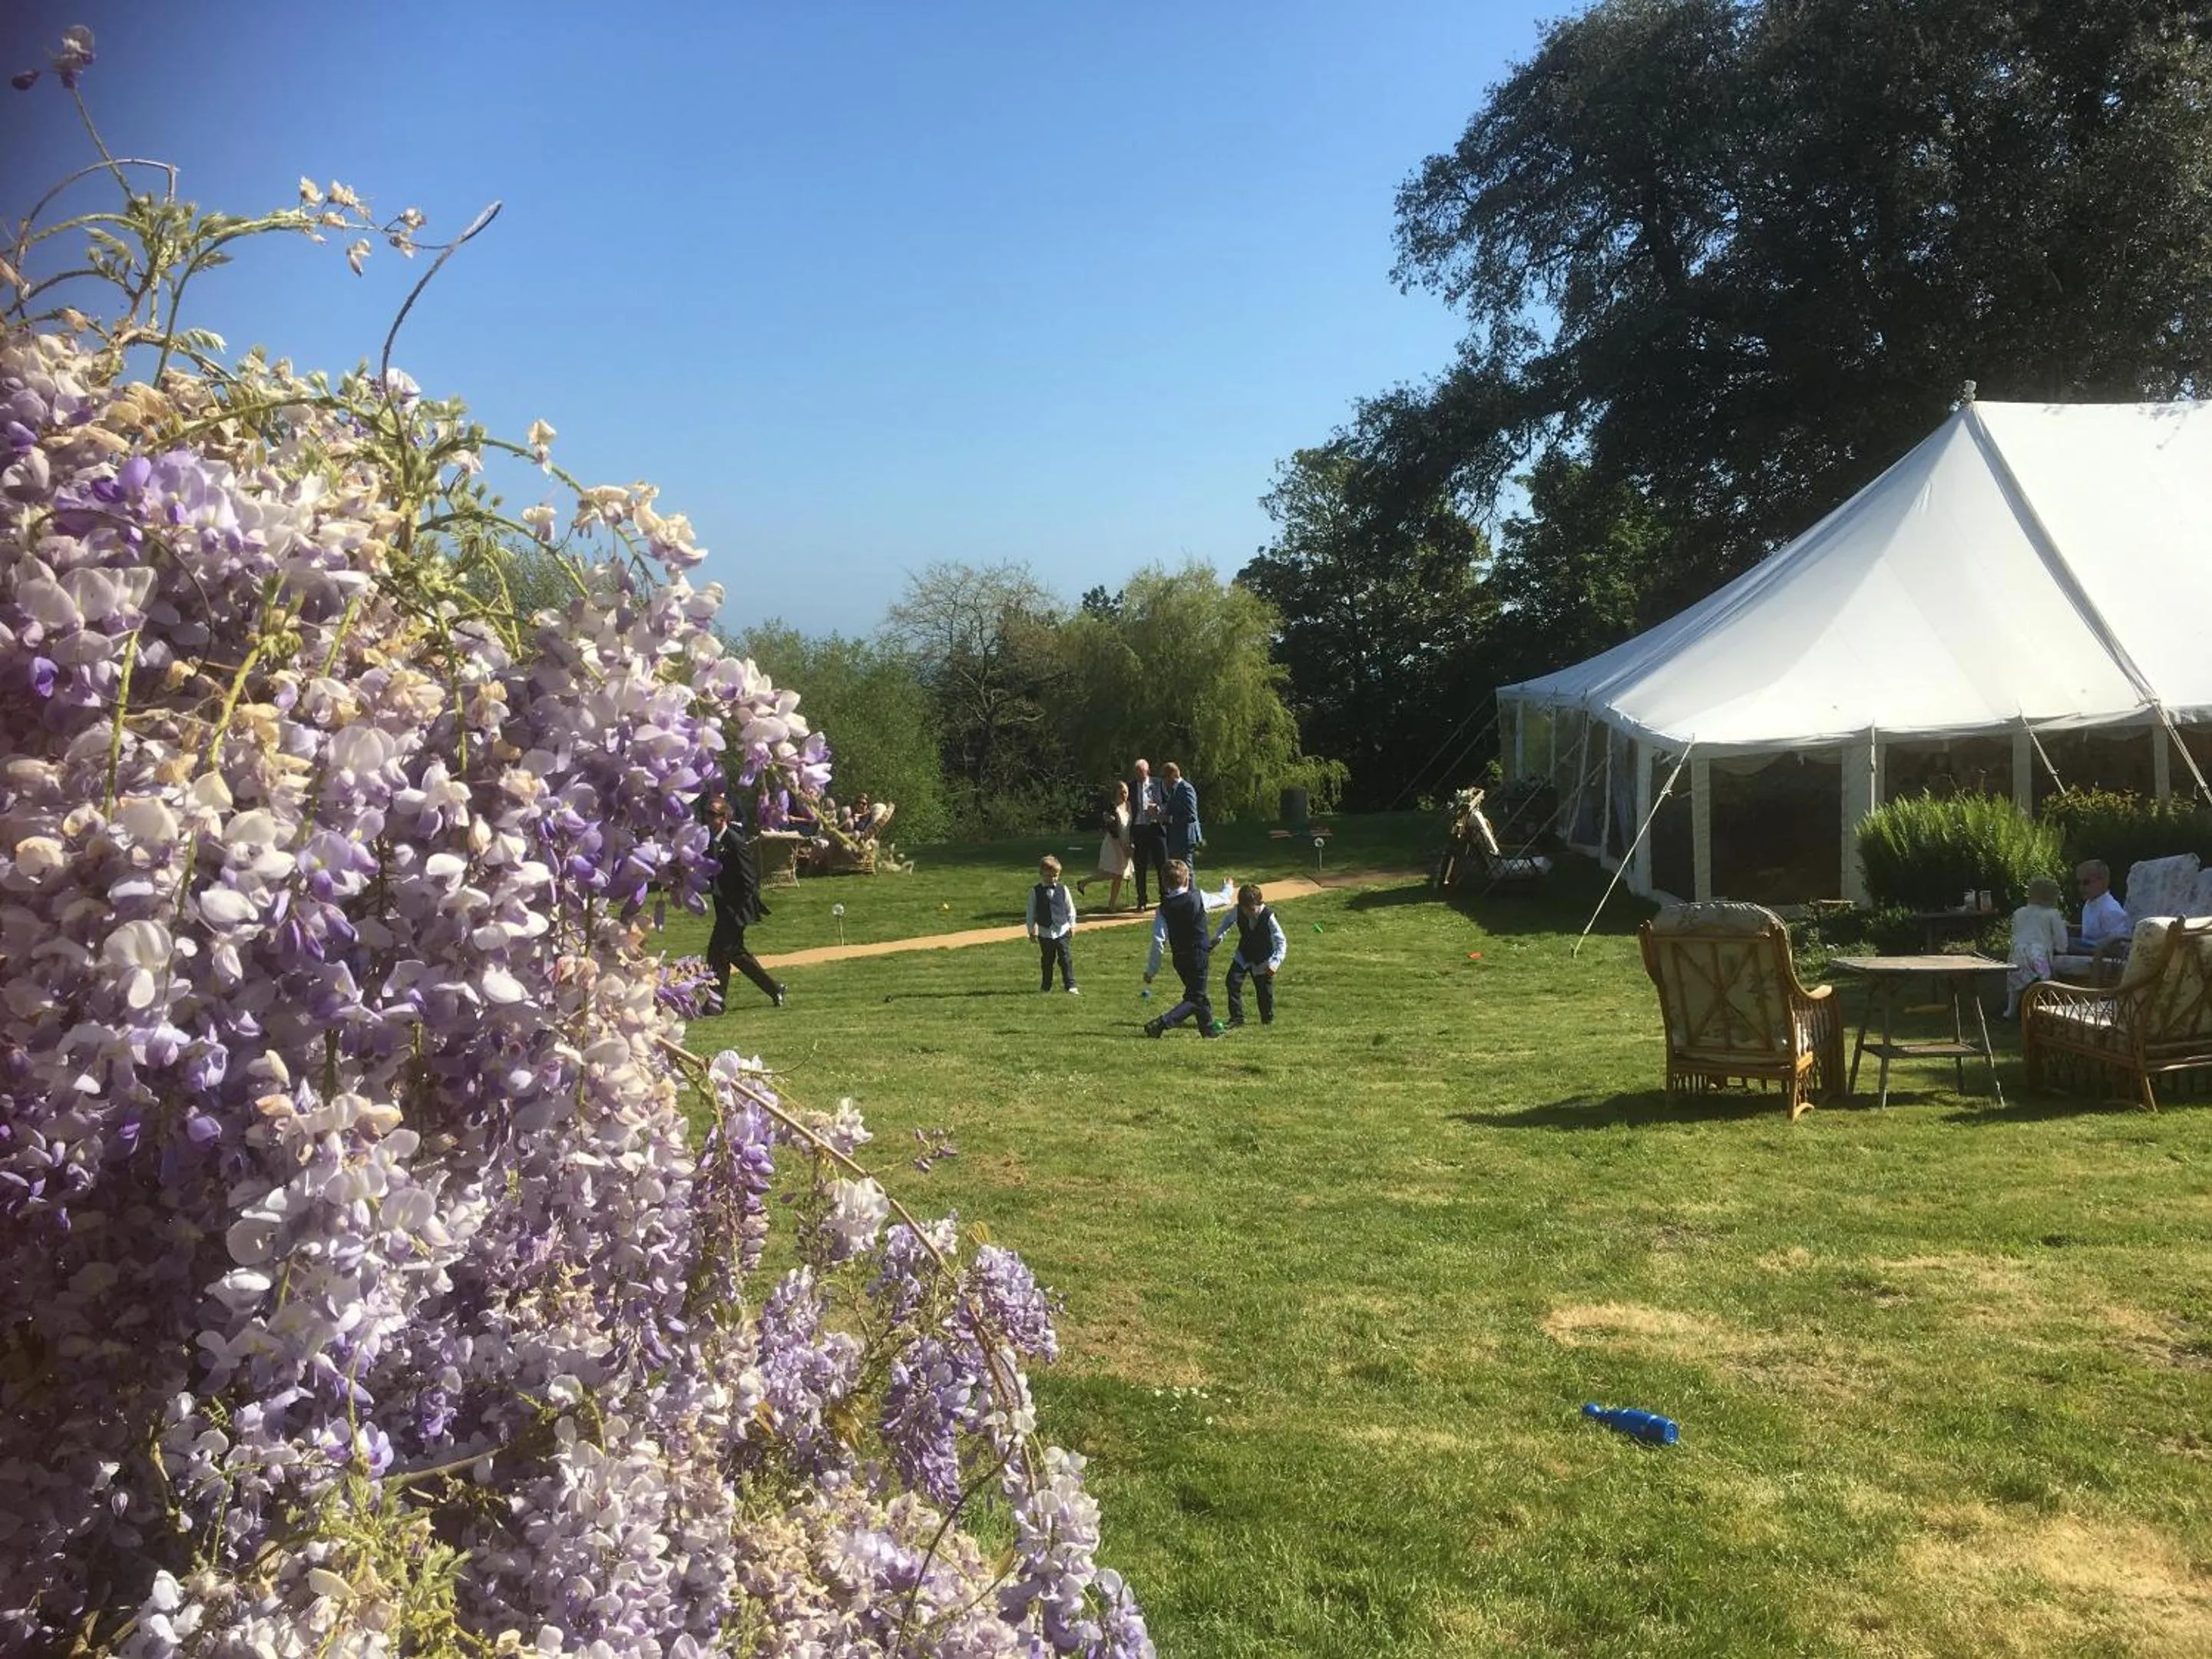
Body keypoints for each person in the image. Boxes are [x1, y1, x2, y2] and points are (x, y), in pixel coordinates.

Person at [705, 794, 785, 1011]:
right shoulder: (713, 841)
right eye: (706, 813)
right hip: (725, 908)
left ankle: (715, 1004)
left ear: (723, 818)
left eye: (712, 814)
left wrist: (738, 910)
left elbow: (750, 879)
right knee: (732, 953)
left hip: (736, 909)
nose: (707, 818)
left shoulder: (734, 841)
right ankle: (775, 988)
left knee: (719, 953)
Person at [1142, 859, 1218, 1037]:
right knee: (1195, 998)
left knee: (1198, 993)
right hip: (1198, 955)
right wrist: (1228, 889)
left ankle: (1208, 1030)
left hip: (1180, 958)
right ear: (1187, 880)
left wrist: (1152, 970)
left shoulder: (1163, 909)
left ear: (1164, 883)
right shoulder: (1198, 897)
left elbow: (1158, 941)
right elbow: (1222, 899)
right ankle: (1161, 1024)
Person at [1210, 882, 1287, 1028]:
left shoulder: (1268, 916)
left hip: (1263, 958)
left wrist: (1275, 963)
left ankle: (1267, 1019)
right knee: (1232, 982)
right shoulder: (1238, 911)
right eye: (1244, 909)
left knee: (1263, 990)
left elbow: (1281, 941)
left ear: (1259, 903)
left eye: (1251, 909)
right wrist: (1219, 937)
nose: (1247, 913)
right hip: (1243, 954)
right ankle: (1236, 1017)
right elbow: (1226, 922)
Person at [2004, 875, 2069, 1018]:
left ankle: (2011, 1009)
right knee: (2047, 981)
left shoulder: (2019, 913)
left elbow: (2015, 934)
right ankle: (2050, 1007)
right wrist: (2061, 949)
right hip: (2038, 955)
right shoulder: (2052, 914)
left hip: (2018, 953)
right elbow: (2061, 940)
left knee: (2014, 983)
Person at [1026, 854, 1080, 994]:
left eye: (1056, 876)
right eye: (1049, 876)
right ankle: (1046, 986)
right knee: (1047, 961)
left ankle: (1070, 985)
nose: (1053, 879)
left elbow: (1070, 909)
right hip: (1045, 932)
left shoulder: (1063, 889)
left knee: (1065, 959)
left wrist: (1072, 925)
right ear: (1041, 874)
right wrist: (1031, 930)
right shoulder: (1035, 892)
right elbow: (1031, 912)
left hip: (1062, 930)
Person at [1076, 780, 1134, 910]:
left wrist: (1130, 844)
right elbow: (1114, 831)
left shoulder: (1129, 806)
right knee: (1110, 873)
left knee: (1120, 875)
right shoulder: (1112, 808)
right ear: (1116, 793)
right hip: (1114, 843)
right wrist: (1123, 848)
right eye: (1121, 793)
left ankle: (1112, 905)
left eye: (1126, 792)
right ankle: (1084, 882)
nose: (1124, 795)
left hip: (1126, 840)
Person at [1127, 758, 1167, 907]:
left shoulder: (1158, 783)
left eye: (1141, 772)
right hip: (1139, 829)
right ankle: (1142, 900)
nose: (1139, 775)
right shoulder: (1130, 787)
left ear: (1147, 771)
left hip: (1156, 828)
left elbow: (1167, 802)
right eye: (1136, 772)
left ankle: (1165, 898)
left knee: (1162, 864)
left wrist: (1158, 808)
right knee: (1140, 866)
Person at [2072, 859, 2129, 951]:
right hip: (2087, 947)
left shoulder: (2110, 910)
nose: (2081, 887)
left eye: (2086, 882)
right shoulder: (2089, 904)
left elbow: (2118, 944)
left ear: (2103, 882)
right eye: (2079, 883)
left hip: (2100, 952)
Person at [1162, 761, 1202, 878]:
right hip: (1175, 838)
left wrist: (1169, 818)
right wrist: (1159, 813)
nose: (1164, 781)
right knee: (1176, 872)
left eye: (1165, 777)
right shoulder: (1173, 790)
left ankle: (1190, 890)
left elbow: (1191, 816)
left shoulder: (1186, 789)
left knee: (1186, 870)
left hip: (1185, 837)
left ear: (1174, 774)